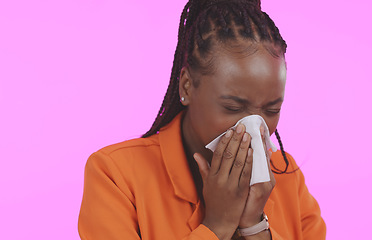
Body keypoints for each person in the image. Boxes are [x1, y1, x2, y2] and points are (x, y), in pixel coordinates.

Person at [78, 0, 326, 239]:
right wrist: (218, 225)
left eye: (271, 110)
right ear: (186, 86)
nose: (253, 127)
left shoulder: (286, 177)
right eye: (232, 107)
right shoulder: (116, 175)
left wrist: (255, 227)